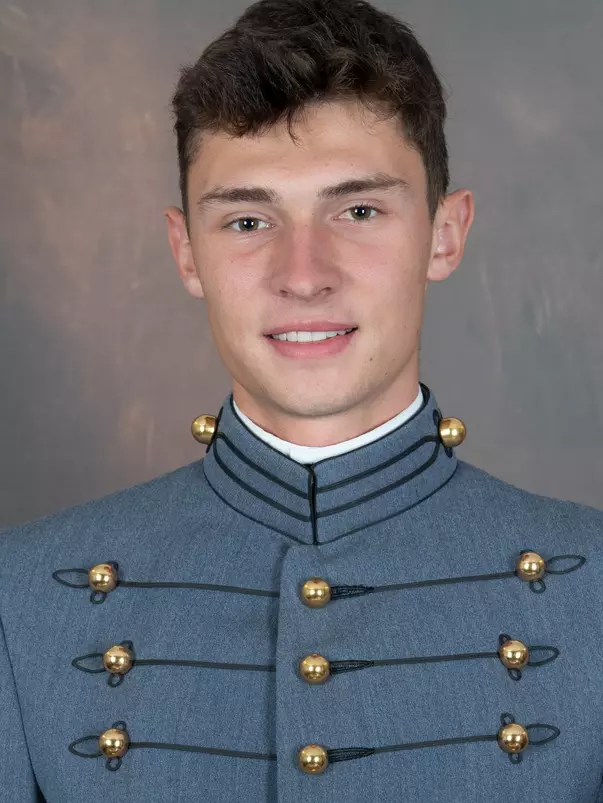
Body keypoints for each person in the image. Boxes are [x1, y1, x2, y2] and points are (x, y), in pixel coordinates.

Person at [1, 0, 601, 800]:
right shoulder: (22, 594)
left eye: (357, 210)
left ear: (444, 235)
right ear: (186, 253)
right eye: (248, 219)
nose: (302, 273)